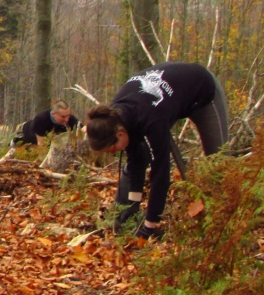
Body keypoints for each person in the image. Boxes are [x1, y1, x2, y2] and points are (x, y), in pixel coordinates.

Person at [85, 62, 227, 240]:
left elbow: (161, 174)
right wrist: (133, 207)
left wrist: (150, 225)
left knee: (219, 163)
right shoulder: (115, 116)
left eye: (112, 150)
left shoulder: (151, 120)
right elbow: (136, 161)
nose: (113, 154)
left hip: (203, 91)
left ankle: (223, 228)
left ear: (120, 134)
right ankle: (124, 217)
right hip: (170, 100)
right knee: (138, 157)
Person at [13, 99, 77, 146]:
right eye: (63, 117)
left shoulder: (70, 119)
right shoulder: (41, 119)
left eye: (68, 115)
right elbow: (41, 145)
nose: (67, 119)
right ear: (54, 113)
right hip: (25, 134)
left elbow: (82, 129)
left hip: (47, 141)